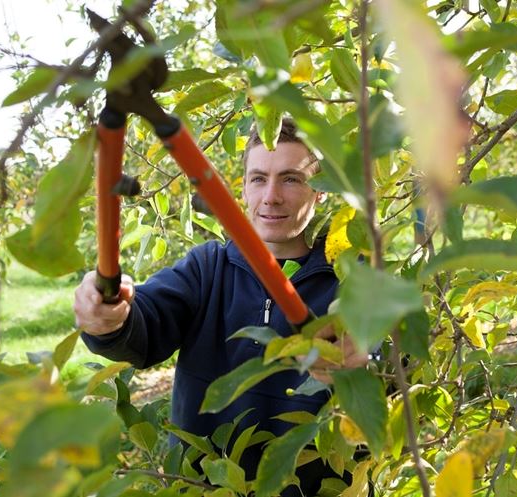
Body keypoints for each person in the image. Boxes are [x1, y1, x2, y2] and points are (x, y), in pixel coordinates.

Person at [73, 118, 367, 496]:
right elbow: (143, 325)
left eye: (291, 179)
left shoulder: (354, 278)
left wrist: (367, 356)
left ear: (320, 190)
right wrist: (108, 319)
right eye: (259, 178)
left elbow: (394, 361)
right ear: (244, 187)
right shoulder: (207, 269)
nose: (271, 196)